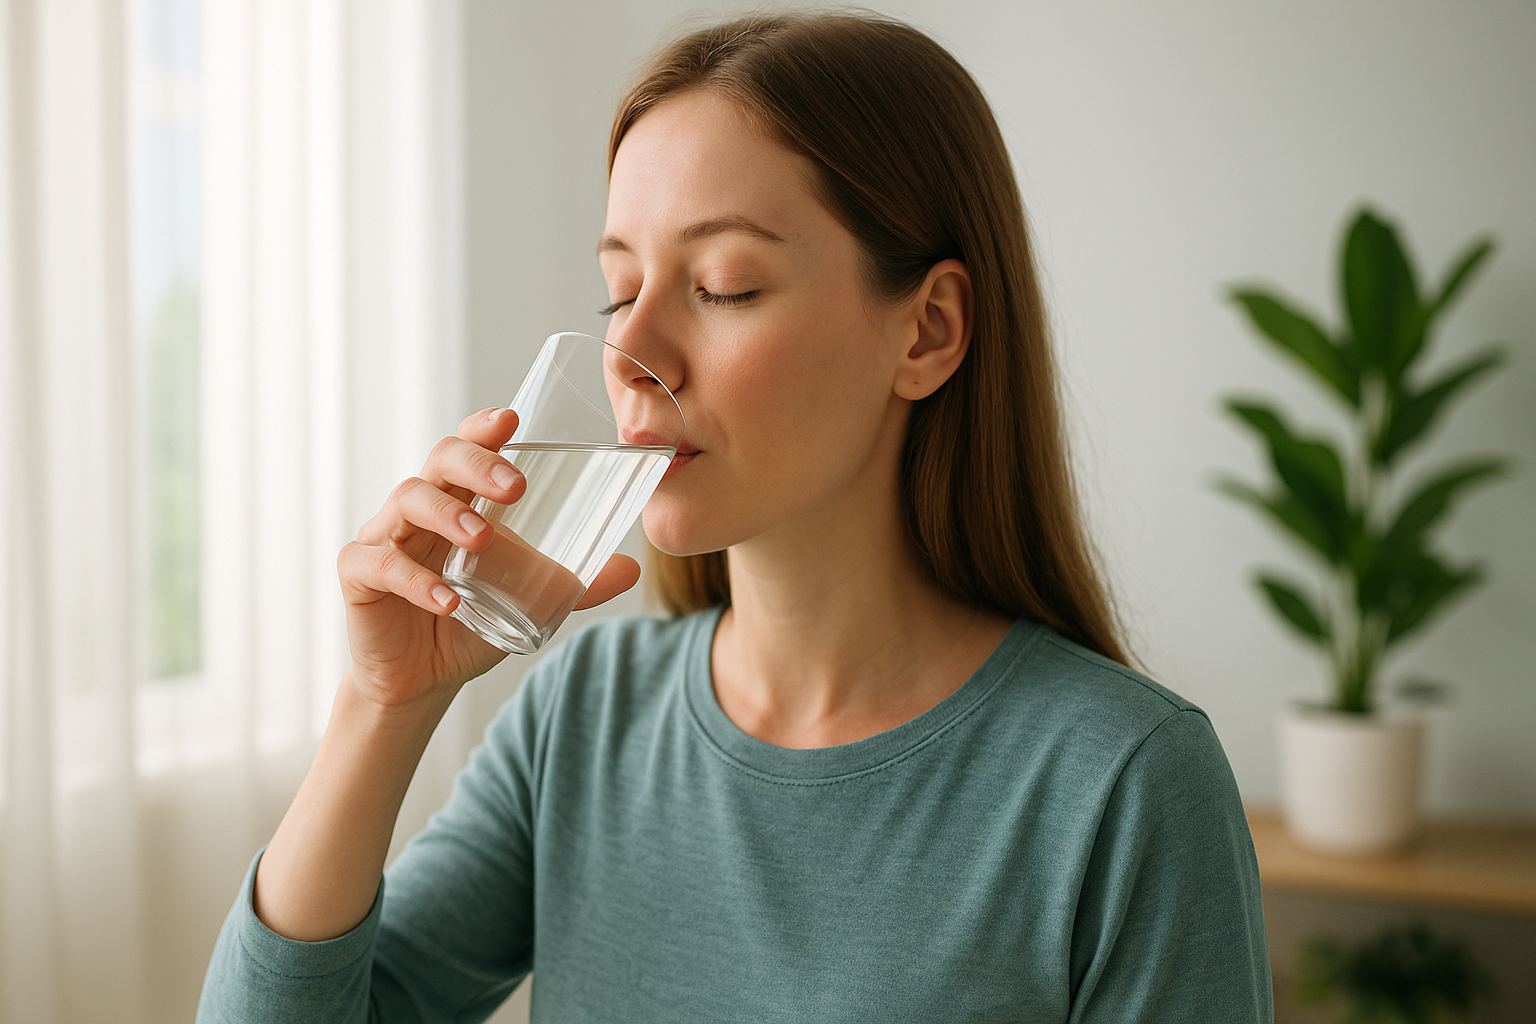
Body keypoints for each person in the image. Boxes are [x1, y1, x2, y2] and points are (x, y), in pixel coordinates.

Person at [198, 12, 1272, 1022]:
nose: (638, 359)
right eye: (621, 292)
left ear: (928, 331)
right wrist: (381, 708)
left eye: (723, 285)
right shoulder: (586, 715)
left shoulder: (1125, 783)